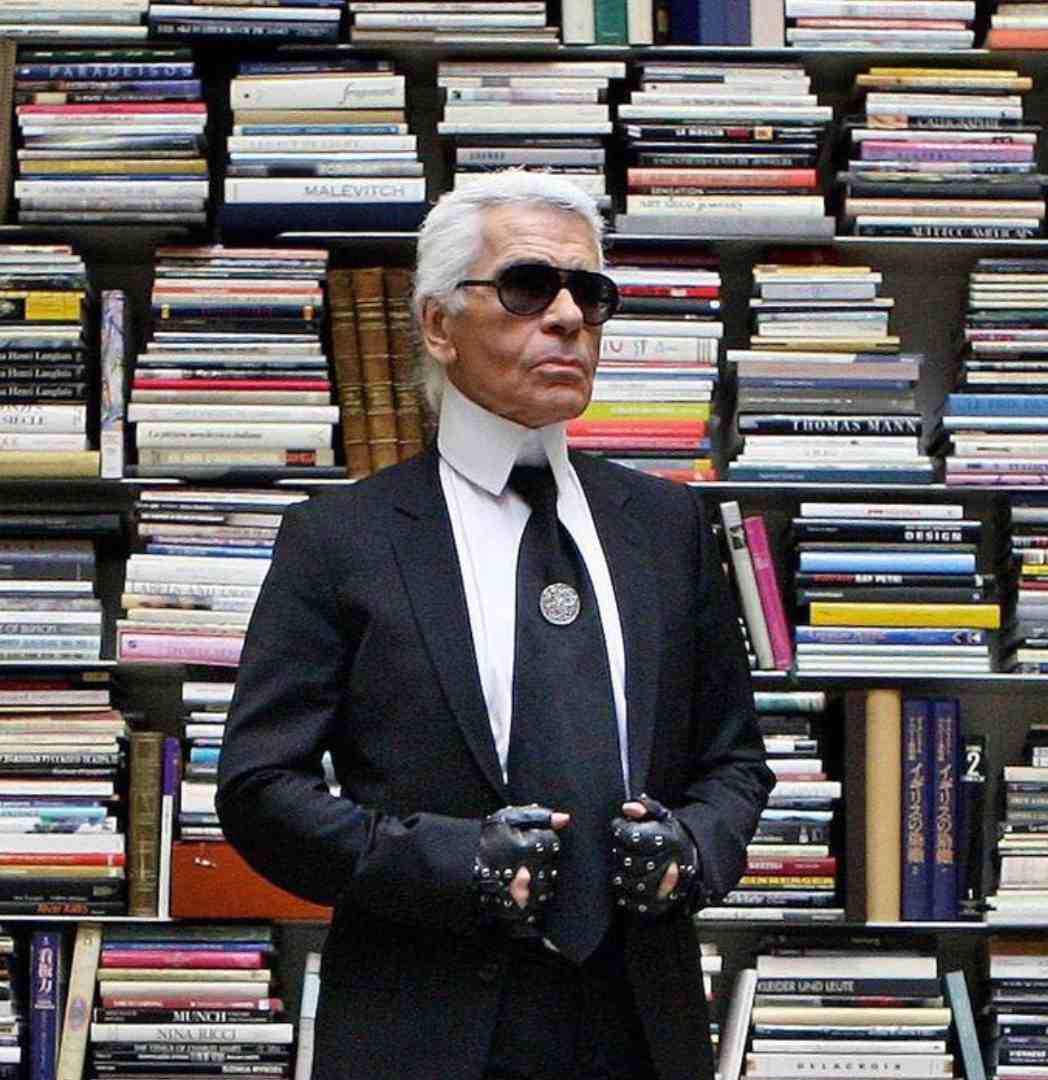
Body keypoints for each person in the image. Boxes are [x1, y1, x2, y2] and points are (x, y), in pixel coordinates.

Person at [216, 170, 774, 1080]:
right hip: (422, 1023)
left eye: (589, 293)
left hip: (643, 1019)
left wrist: (694, 850)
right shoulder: (341, 537)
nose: (568, 317)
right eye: (527, 287)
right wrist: (448, 863)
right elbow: (259, 788)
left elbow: (735, 762)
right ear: (439, 325)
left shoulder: (668, 525)